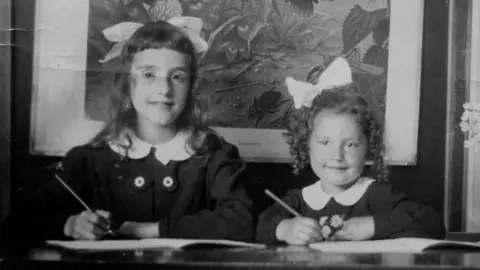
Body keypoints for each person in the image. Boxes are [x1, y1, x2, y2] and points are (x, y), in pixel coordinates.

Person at [6, 17, 262, 243]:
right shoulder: (89, 160)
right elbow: (18, 221)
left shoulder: (215, 154)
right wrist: (70, 224)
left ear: (191, 86)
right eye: (149, 75)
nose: (164, 89)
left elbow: (241, 222)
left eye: (177, 77)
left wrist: (147, 230)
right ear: (127, 83)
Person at [255, 57, 446, 246]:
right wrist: (284, 229)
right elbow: (259, 228)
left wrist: (374, 226)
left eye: (350, 145)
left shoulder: (377, 195)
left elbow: (432, 224)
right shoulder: (298, 200)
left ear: (368, 148)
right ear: (306, 145)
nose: (336, 155)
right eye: (324, 142)